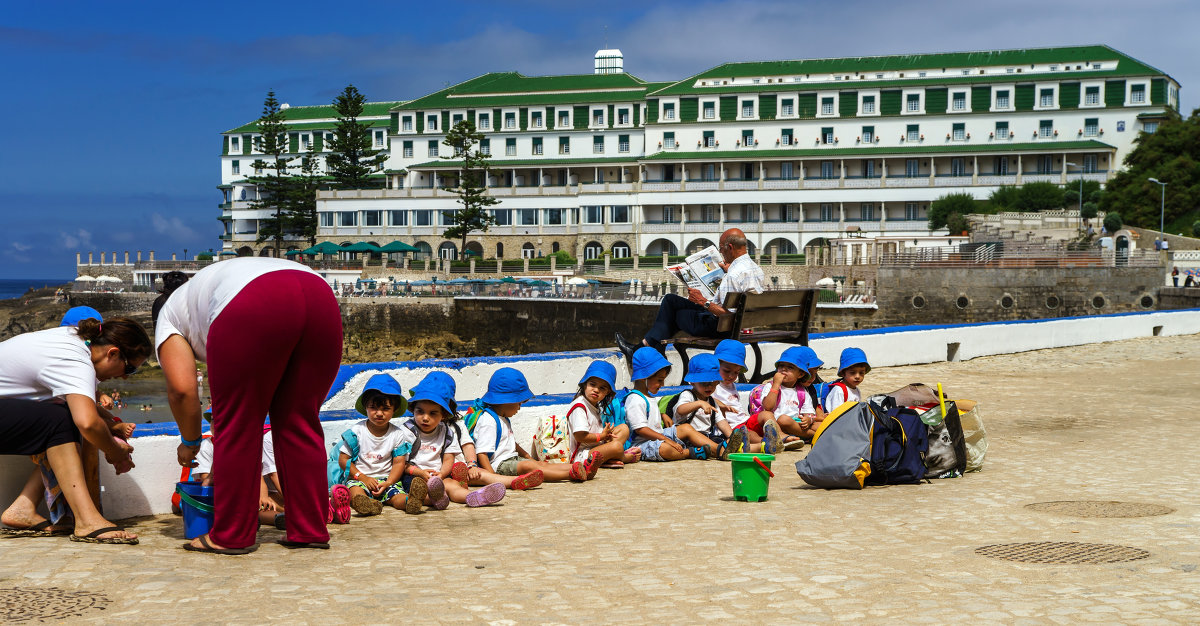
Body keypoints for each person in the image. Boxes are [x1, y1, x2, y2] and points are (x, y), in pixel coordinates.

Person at [154, 258, 343, 555]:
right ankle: (310, 529)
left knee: (239, 423)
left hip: (253, 300)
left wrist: (190, 441)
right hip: (319, 294)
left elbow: (182, 390)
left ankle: (230, 535)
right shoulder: (201, 291)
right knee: (300, 421)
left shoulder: (167, 316)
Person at [0, 318, 148, 544]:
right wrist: (114, 452)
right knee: (59, 420)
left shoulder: (74, 341)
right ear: (113, 353)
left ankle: (24, 506)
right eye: (129, 368)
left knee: (62, 417)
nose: (125, 376)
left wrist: (110, 435)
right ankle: (87, 520)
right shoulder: (74, 359)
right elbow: (88, 423)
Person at [616, 228, 765, 358]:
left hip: (721, 328)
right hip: (741, 325)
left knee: (673, 313)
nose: (721, 253)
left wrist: (703, 301)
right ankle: (649, 348)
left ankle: (644, 350)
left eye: (721, 249)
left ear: (730, 247)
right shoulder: (755, 269)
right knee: (671, 300)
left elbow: (729, 316)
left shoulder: (734, 274)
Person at [401, 376, 506, 508]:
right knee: (419, 490)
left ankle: (474, 496)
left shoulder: (447, 432)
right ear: (413, 409)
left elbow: (448, 458)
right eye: (420, 411)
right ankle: (436, 499)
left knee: (452, 485)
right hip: (415, 475)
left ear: (443, 415)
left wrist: (442, 474)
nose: (425, 418)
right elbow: (401, 463)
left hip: (438, 477)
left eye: (433, 413)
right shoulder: (408, 431)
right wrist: (420, 473)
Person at [464, 367, 576, 484]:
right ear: (506, 401)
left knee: (539, 464)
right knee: (529, 466)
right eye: (518, 403)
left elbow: (512, 443)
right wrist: (493, 477)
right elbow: (482, 453)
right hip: (500, 465)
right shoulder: (488, 421)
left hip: (512, 459)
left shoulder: (502, 418)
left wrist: (528, 457)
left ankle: (575, 467)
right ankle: (570, 475)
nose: (519, 407)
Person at [335, 374, 425, 517]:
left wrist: (389, 482)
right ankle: (366, 504)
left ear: (394, 409)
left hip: (386, 481)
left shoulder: (397, 434)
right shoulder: (356, 431)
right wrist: (362, 477)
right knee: (355, 491)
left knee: (396, 497)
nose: (379, 413)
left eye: (385, 409)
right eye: (373, 408)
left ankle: (410, 501)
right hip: (360, 479)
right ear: (366, 407)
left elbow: (399, 464)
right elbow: (343, 459)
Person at [192, 417, 286, 530]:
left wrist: (263, 496)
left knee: (263, 503)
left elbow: (257, 474)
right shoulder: (206, 447)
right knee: (249, 506)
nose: (216, 424)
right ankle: (278, 518)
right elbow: (206, 480)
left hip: (248, 491)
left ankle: (283, 516)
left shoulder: (244, 444)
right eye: (213, 420)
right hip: (223, 493)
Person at [568, 361, 639, 476]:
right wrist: (601, 436)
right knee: (617, 446)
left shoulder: (594, 405)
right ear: (584, 384)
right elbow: (579, 436)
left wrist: (606, 434)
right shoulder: (579, 407)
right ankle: (623, 457)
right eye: (592, 384)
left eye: (602, 388)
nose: (596, 390)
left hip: (595, 447)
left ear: (607, 392)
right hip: (582, 456)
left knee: (624, 428)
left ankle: (607, 459)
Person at [625, 348, 696, 462]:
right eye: (659, 380)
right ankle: (689, 453)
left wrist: (663, 415)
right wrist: (666, 439)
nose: (662, 384)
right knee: (664, 449)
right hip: (641, 444)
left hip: (658, 436)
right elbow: (641, 429)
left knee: (686, 428)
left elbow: (650, 416)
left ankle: (717, 448)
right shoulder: (635, 399)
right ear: (644, 378)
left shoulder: (649, 397)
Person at [748, 347, 817, 444]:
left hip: (793, 425)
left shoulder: (802, 392)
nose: (784, 369)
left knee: (818, 425)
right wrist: (776, 385)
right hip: (774, 424)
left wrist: (808, 419)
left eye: (790, 367)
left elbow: (809, 412)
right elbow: (768, 407)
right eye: (781, 366)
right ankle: (810, 435)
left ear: (800, 374)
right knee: (783, 419)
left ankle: (805, 435)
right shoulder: (770, 386)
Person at [711, 340, 765, 455]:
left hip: (743, 421)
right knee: (748, 433)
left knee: (766, 415)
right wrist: (719, 403)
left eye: (736, 372)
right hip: (731, 427)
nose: (731, 376)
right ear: (716, 364)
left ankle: (780, 437)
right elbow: (702, 397)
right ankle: (766, 443)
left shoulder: (731, 385)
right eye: (726, 371)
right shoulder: (711, 384)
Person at [822, 347, 871, 412]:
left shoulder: (857, 390)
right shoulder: (839, 391)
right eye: (852, 373)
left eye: (861, 373)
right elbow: (836, 415)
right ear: (843, 373)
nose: (857, 376)